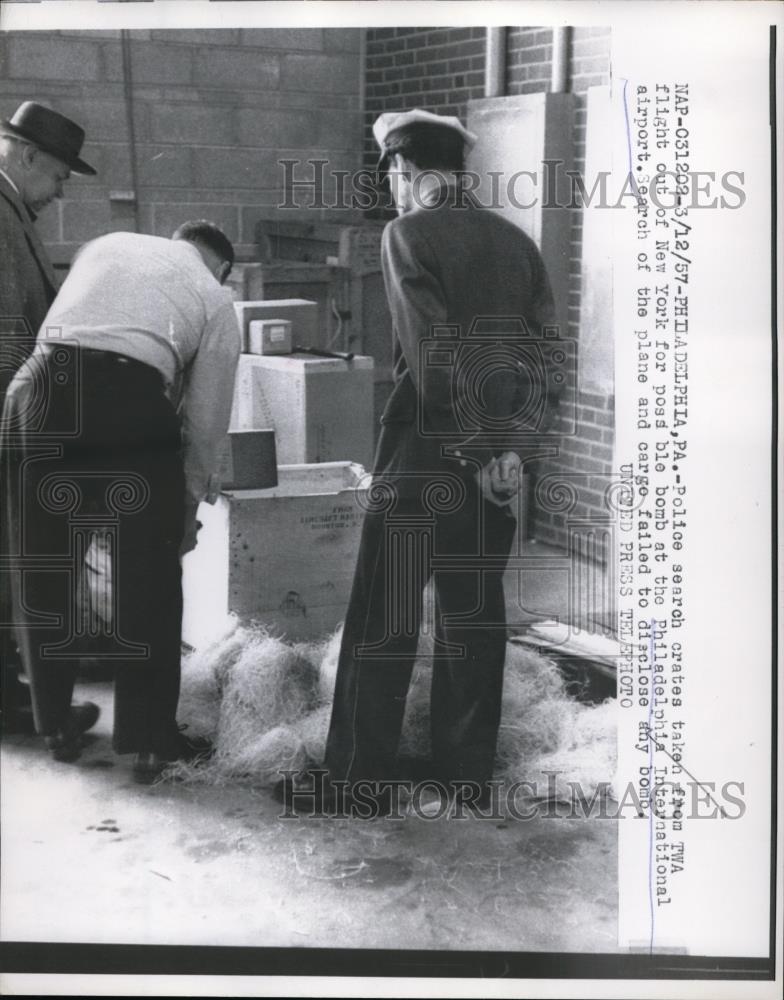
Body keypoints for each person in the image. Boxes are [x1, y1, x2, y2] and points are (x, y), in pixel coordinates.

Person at [282, 109, 560, 816]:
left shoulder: (406, 234)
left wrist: (471, 449)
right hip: (494, 468)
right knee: (472, 618)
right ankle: (464, 777)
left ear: (404, 173)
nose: (396, 194)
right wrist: (511, 457)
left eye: (395, 181)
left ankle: (358, 782)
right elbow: (546, 365)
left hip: (427, 455)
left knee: (386, 615)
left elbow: (437, 359)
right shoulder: (517, 243)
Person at [0, 221, 241, 781]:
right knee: (149, 579)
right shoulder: (214, 296)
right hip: (128, 400)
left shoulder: (106, 243)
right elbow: (205, 423)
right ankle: (151, 740)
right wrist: (184, 512)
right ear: (221, 267)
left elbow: (56, 333)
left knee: (42, 563)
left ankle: (54, 722)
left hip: (35, 392)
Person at [0, 101, 98, 736]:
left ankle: (9, 689)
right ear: (29, 156)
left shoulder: (13, 210)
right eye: (60, 176)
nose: (60, 191)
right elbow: (7, 331)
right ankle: (8, 699)